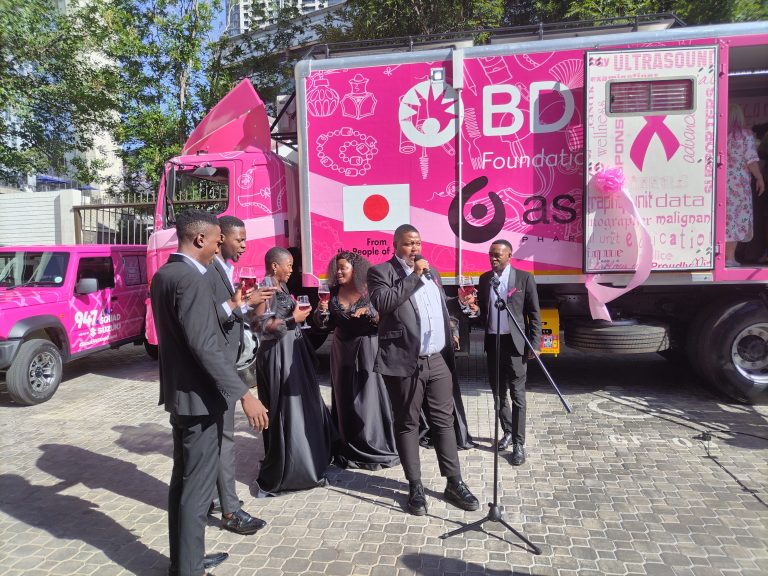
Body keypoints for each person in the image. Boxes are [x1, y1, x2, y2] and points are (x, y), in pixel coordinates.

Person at [150, 209, 268, 576]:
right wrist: (244, 394)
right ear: (200, 239)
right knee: (197, 488)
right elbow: (204, 346)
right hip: (201, 399)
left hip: (183, 395)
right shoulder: (191, 279)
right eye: (217, 241)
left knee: (184, 483)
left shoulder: (165, 275)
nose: (219, 248)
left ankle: (187, 560)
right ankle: (189, 568)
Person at [367, 224, 479, 516]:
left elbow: (439, 307)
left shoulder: (433, 273)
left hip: (437, 360)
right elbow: (384, 303)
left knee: (444, 421)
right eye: (408, 243)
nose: (414, 248)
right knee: (408, 423)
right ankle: (415, 486)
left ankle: (454, 482)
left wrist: (459, 303)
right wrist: (414, 276)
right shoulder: (381, 272)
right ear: (395, 245)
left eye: (417, 243)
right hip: (406, 361)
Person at [204, 215, 272, 535]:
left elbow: (228, 312)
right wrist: (239, 304)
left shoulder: (224, 269)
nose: (244, 245)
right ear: (221, 239)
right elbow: (207, 320)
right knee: (223, 439)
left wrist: (245, 304)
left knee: (219, 439)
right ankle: (229, 509)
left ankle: (217, 498)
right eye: (239, 239)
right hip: (219, 368)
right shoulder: (208, 270)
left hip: (225, 364)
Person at [253, 246, 334, 494]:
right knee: (286, 408)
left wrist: (304, 316)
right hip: (278, 353)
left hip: (292, 350)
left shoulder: (281, 287)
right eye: (288, 265)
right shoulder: (264, 288)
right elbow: (261, 326)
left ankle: (307, 458)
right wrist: (293, 319)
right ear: (274, 265)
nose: (292, 269)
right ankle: (291, 469)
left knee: (301, 406)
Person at [314, 251, 400, 470]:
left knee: (367, 397)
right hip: (341, 349)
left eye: (343, 267)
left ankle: (373, 444)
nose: (338, 271)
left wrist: (370, 311)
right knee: (344, 397)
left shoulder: (370, 290)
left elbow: (387, 315)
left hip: (367, 348)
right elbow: (324, 325)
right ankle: (348, 444)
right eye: (336, 268)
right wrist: (321, 313)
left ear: (356, 270)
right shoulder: (332, 292)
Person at [474, 239, 541, 466]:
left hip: (515, 344)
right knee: (498, 393)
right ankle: (508, 431)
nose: (493, 258)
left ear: (509, 255)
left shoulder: (524, 278)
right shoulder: (485, 279)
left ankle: (519, 444)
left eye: (498, 255)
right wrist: (473, 309)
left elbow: (534, 314)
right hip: (493, 342)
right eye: (490, 254)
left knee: (517, 394)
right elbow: (483, 312)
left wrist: (535, 344)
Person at [726, 103, 765, 267]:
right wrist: (759, 178)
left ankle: (720, 257)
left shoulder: (719, 135)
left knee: (724, 219)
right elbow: (751, 160)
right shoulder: (745, 135)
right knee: (737, 219)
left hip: (721, 183)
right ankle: (729, 257)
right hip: (739, 185)